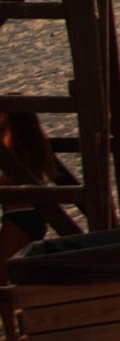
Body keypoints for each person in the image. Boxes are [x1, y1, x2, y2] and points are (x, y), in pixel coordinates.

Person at [1, 113, 58, 284]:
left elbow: (14, 180)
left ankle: (12, 311)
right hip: (32, 216)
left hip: (20, 217)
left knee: (2, 275)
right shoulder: (34, 147)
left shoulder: (18, 150)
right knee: (13, 274)